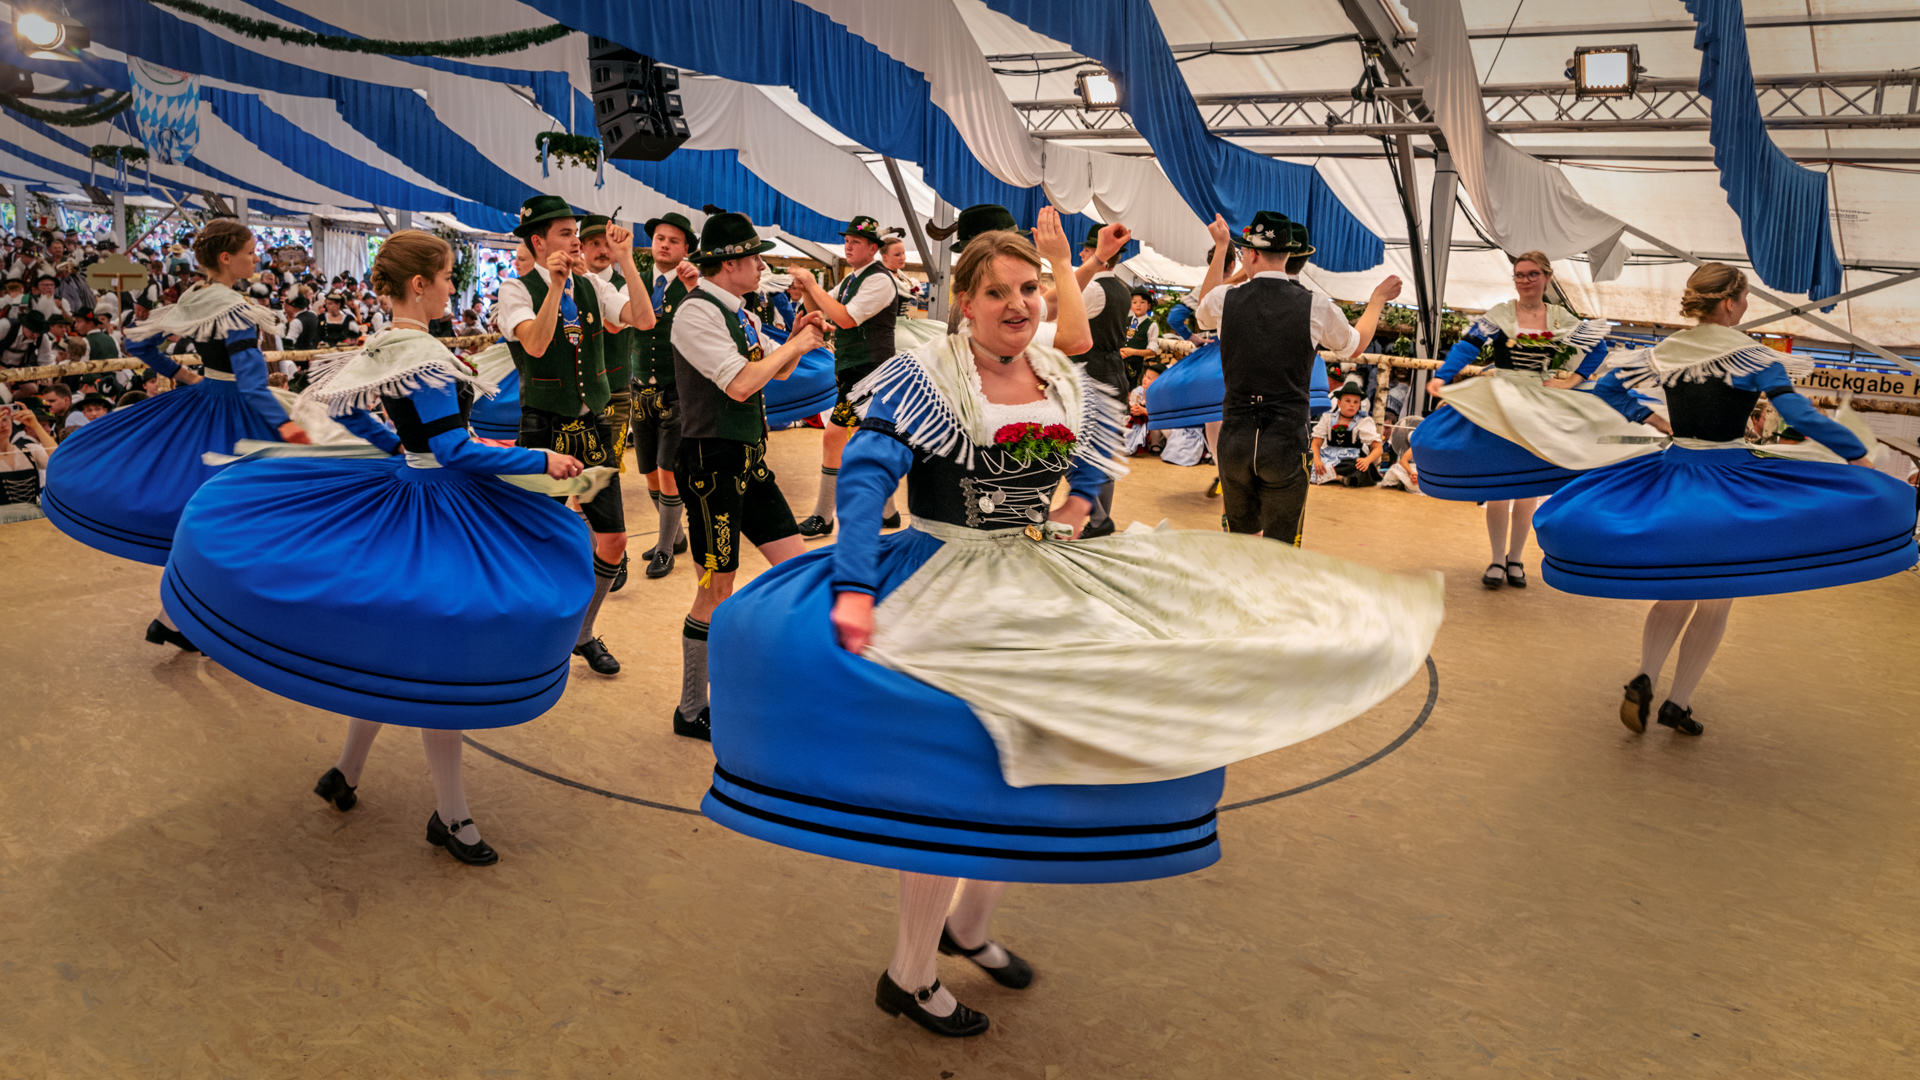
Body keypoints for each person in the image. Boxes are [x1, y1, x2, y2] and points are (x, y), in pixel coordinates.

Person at [698, 208, 1442, 1039]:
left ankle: (966, 926)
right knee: (956, 784)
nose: (1018, 304)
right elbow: (870, 476)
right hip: (946, 577)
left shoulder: (1053, 372)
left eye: (1029, 288)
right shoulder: (927, 375)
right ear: (964, 302)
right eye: (997, 292)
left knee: (1039, 754)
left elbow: (1088, 449)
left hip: (1035, 573)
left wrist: (1079, 503)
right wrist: (854, 587)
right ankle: (908, 972)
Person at [161, 230, 596, 865]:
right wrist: (540, 460)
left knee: (395, 649)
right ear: (420, 284)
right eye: (447, 278)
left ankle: (347, 773)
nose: (452, 289)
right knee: (438, 659)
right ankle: (451, 814)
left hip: (412, 490)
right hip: (439, 503)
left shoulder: (385, 342)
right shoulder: (420, 351)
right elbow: (453, 449)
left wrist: (399, 447)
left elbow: (347, 410)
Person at [1533, 263, 1916, 736]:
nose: (1747, 305)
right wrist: (1856, 454)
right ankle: (1678, 702)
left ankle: (1645, 674)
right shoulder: (1751, 356)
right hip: (1727, 481)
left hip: (1674, 475)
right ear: (1731, 302)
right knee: (1716, 596)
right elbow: (1797, 414)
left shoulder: (1666, 350)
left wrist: (1654, 421)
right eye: (1746, 297)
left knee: (1676, 586)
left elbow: (1609, 387)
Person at [40, 218, 311, 651]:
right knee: (240, 516)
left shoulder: (196, 296)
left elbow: (140, 345)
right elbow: (251, 381)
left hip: (204, 405)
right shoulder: (234, 308)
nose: (256, 258)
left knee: (206, 511)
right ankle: (196, 616)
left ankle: (177, 616)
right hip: (241, 414)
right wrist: (288, 426)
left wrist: (187, 377)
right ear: (227, 257)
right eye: (249, 252)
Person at [666, 211, 825, 739]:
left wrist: (796, 337)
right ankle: (692, 707)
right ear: (730, 263)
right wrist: (797, 346)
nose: (761, 267)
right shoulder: (695, 312)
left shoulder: (742, 314)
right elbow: (738, 385)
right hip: (710, 464)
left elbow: (774, 371)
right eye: (755, 258)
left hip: (750, 461)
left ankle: (771, 676)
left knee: (797, 569)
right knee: (716, 588)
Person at [495, 195, 655, 677]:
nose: (577, 242)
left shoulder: (592, 285)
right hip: (542, 428)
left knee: (614, 540)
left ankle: (583, 633)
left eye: (577, 233)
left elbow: (644, 319)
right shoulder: (515, 289)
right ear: (539, 242)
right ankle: (525, 630)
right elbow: (536, 343)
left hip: (592, 426)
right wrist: (555, 285)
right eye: (566, 234)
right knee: (532, 540)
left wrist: (626, 261)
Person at [1413, 251, 1619, 589]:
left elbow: (1598, 348)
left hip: (1541, 404)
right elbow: (1468, 346)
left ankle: (1516, 559)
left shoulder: (1560, 317)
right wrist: (1443, 376)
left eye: (1533, 274)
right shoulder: (1501, 314)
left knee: (1527, 488)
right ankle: (1497, 559)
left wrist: (1574, 379)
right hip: (1502, 403)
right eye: (1520, 274)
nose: (1525, 280)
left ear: (1547, 277)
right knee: (1500, 484)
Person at [1193, 211, 1399, 543]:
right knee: (1282, 545)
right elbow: (1356, 345)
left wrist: (1220, 248)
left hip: (1236, 437)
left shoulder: (1225, 299)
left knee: (1240, 542)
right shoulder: (1314, 305)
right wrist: (1376, 301)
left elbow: (1202, 310)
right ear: (1288, 255)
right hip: (1286, 439)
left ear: (1252, 254)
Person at [790, 215, 902, 539]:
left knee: (835, 436)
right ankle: (888, 512)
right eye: (847, 241)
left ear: (873, 248)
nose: (848, 246)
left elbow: (846, 318)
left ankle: (823, 516)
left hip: (871, 374)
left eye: (856, 242)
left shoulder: (880, 280)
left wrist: (812, 285)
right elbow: (823, 308)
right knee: (870, 442)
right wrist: (807, 292)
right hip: (856, 372)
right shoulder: (853, 279)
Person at [628, 211, 702, 580]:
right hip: (639, 390)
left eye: (674, 241)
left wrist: (694, 287)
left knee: (667, 470)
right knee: (648, 473)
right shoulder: (637, 282)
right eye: (660, 238)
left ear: (686, 249)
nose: (665, 245)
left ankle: (664, 549)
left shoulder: (694, 286)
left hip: (678, 392)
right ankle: (676, 536)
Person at [1066, 221, 1135, 538]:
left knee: (1073, 452)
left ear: (1100, 252)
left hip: (1090, 376)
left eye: (1087, 249)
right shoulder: (1121, 289)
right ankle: (1098, 523)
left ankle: (1097, 519)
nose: (1082, 253)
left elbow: (1063, 324)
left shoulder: (1093, 289)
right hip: (1113, 374)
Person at [1310, 378, 1386, 486]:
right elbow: (1316, 443)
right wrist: (1317, 460)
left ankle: (1336, 477)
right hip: (1328, 456)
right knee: (1309, 463)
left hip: (1350, 459)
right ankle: (1337, 477)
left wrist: (1367, 460)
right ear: (1339, 403)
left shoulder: (1363, 421)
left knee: (1357, 467)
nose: (1352, 405)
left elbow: (1378, 448)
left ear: (1359, 405)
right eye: (1348, 401)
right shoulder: (1328, 418)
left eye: (1356, 402)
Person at [1118, 286, 1160, 389]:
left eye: (1142, 302)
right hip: (1117, 363)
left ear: (1149, 305)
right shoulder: (1124, 320)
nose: (1138, 305)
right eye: (1134, 302)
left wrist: (1132, 352)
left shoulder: (1151, 325)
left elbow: (1152, 351)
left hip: (1135, 368)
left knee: (1130, 390)